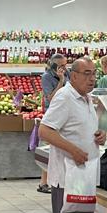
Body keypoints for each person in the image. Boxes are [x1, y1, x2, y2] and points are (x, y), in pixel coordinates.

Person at [38, 56, 107, 213]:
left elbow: (83, 129)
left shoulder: (87, 99)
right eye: (87, 74)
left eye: (94, 73)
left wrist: (99, 136)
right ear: (73, 75)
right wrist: (73, 150)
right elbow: (45, 130)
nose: (92, 78)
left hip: (85, 174)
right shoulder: (65, 98)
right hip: (67, 175)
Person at [37, 54, 68, 192]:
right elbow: (51, 98)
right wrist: (61, 81)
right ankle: (43, 182)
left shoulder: (67, 73)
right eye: (61, 65)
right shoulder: (46, 77)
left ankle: (58, 181)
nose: (64, 68)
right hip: (52, 116)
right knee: (49, 148)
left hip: (65, 115)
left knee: (59, 149)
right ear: (54, 65)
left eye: (65, 65)